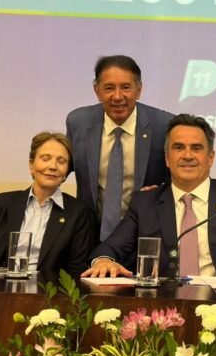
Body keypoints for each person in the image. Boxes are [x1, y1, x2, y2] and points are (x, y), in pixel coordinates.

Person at [82, 114, 216, 282]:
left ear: (210, 157)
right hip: (162, 304)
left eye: (196, 148)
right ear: (167, 158)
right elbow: (108, 249)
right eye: (178, 148)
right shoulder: (145, 203)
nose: (188, 155)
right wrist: (103, 261)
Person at [66, 55, 174, 240]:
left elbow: (180, 180)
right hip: (89, 235)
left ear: (139, 90)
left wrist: (162, 192)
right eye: (109, 88)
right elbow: (62, 167)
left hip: (145, 234)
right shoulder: (79, 122)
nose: (117, 96)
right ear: (97, 91)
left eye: (125, 87)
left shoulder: (163, 125)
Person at [0, 132, 98, 278]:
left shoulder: (78, 213)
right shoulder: (2, 204)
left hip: (49, 290)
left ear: (66, 171)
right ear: (31, 164)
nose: (53, 166)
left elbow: (77, 270)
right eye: (45, 159)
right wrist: (4, 281)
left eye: (61, 161)